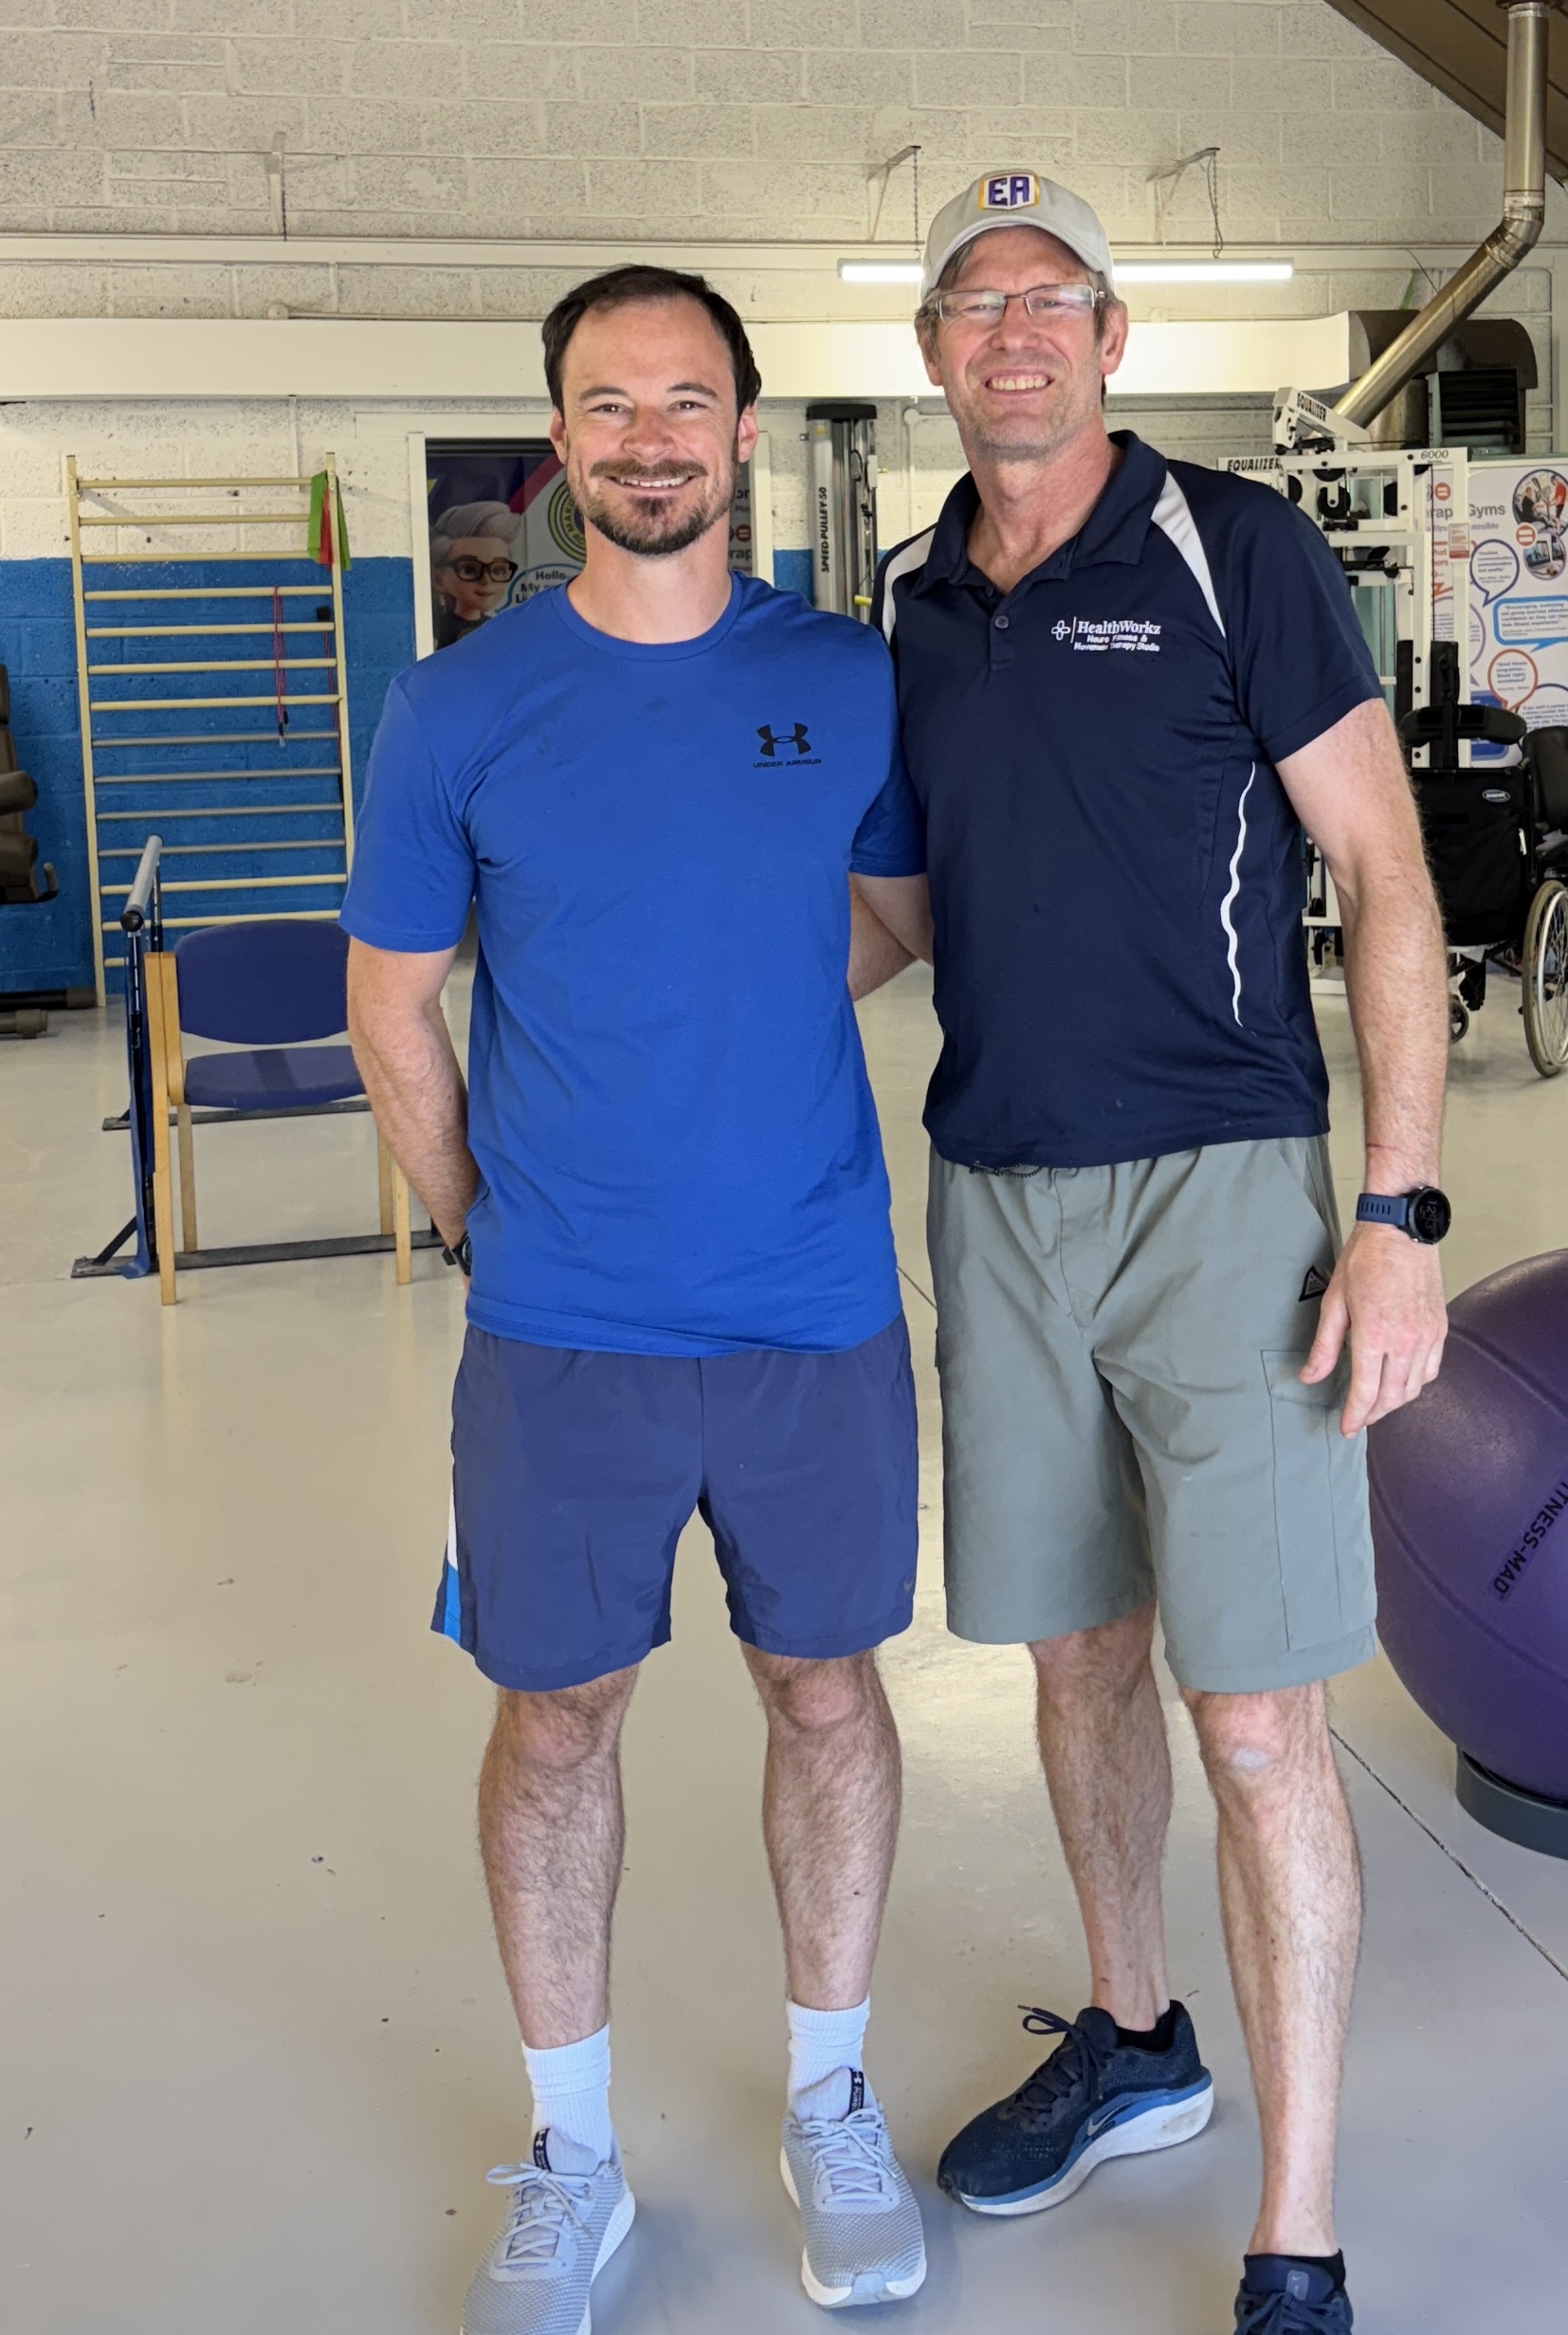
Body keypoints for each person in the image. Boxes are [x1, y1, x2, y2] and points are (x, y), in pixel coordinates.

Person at [862, 172, 1452, 2335]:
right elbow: (901, 907)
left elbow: (1383, 871)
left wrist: (1394, 1210)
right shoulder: (915, 593)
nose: (1010, 332)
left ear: (1110, 335)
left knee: (1261, 1720)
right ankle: (1132, 2032)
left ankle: (1294, 2228)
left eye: (1050, 298)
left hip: (1220, 1195)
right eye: (972, 301)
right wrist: (661, 1018)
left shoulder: (1235, 547)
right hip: (996, 1200)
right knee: (1075, 1660)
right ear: (932, 350)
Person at [344, 264, 936, 2331]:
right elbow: (392, 1005)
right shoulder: (460, 705)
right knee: (555, 1719)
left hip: (810, 1310)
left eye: (688, 400)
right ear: (559, 444)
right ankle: (574, 2152)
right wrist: (485, 1223)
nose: (650, 438)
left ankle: (830, 2098)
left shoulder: (844, 677)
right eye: (609, 404)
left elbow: (887, 919)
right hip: (562, 1329)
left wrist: (735, 1000)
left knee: (827, 1695)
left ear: (746, 431)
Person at [429, 499, 520, 646]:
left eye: (498, 570)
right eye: (469, 570)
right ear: (438, 579)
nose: (486, 580)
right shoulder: (436, 630)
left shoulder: (499, 628)